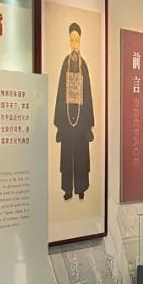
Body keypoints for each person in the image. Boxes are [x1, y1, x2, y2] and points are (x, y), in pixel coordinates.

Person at [53, 22, 95, 201]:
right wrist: (59, 123)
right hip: (67, 119)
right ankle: (68, 189)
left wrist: (88, 124)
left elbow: (88, 94)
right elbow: (60, 92)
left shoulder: (83, 65)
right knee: (67, 155)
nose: (74, 42)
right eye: (72, 39)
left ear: (80, 41)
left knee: (81, 155)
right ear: (69, 41)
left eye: (77, 39)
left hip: (81, 119)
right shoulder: (66, 63)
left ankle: (81, 187)